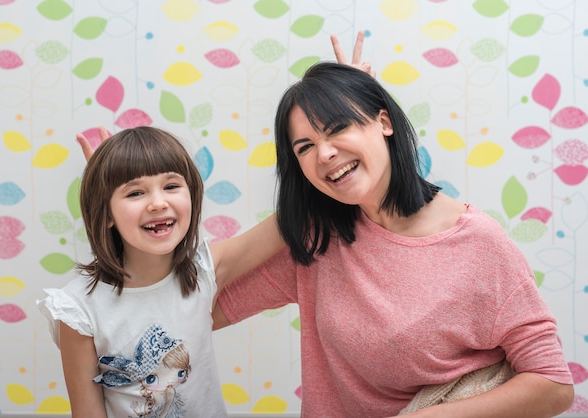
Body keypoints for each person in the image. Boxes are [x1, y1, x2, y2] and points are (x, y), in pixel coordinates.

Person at [212, 61, 575, 416]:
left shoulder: (478, 244)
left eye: (338, 127)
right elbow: (196, 307)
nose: (324, 153)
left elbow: (553, 384)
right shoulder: (320, 241)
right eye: (304, 147)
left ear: (384, 121)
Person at [37, 126, 285, 418]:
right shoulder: (77, 309)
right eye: (136, 192)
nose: (158, 202)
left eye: (170, 186)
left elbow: (290, 220)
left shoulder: (204, 269)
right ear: (105, 214)